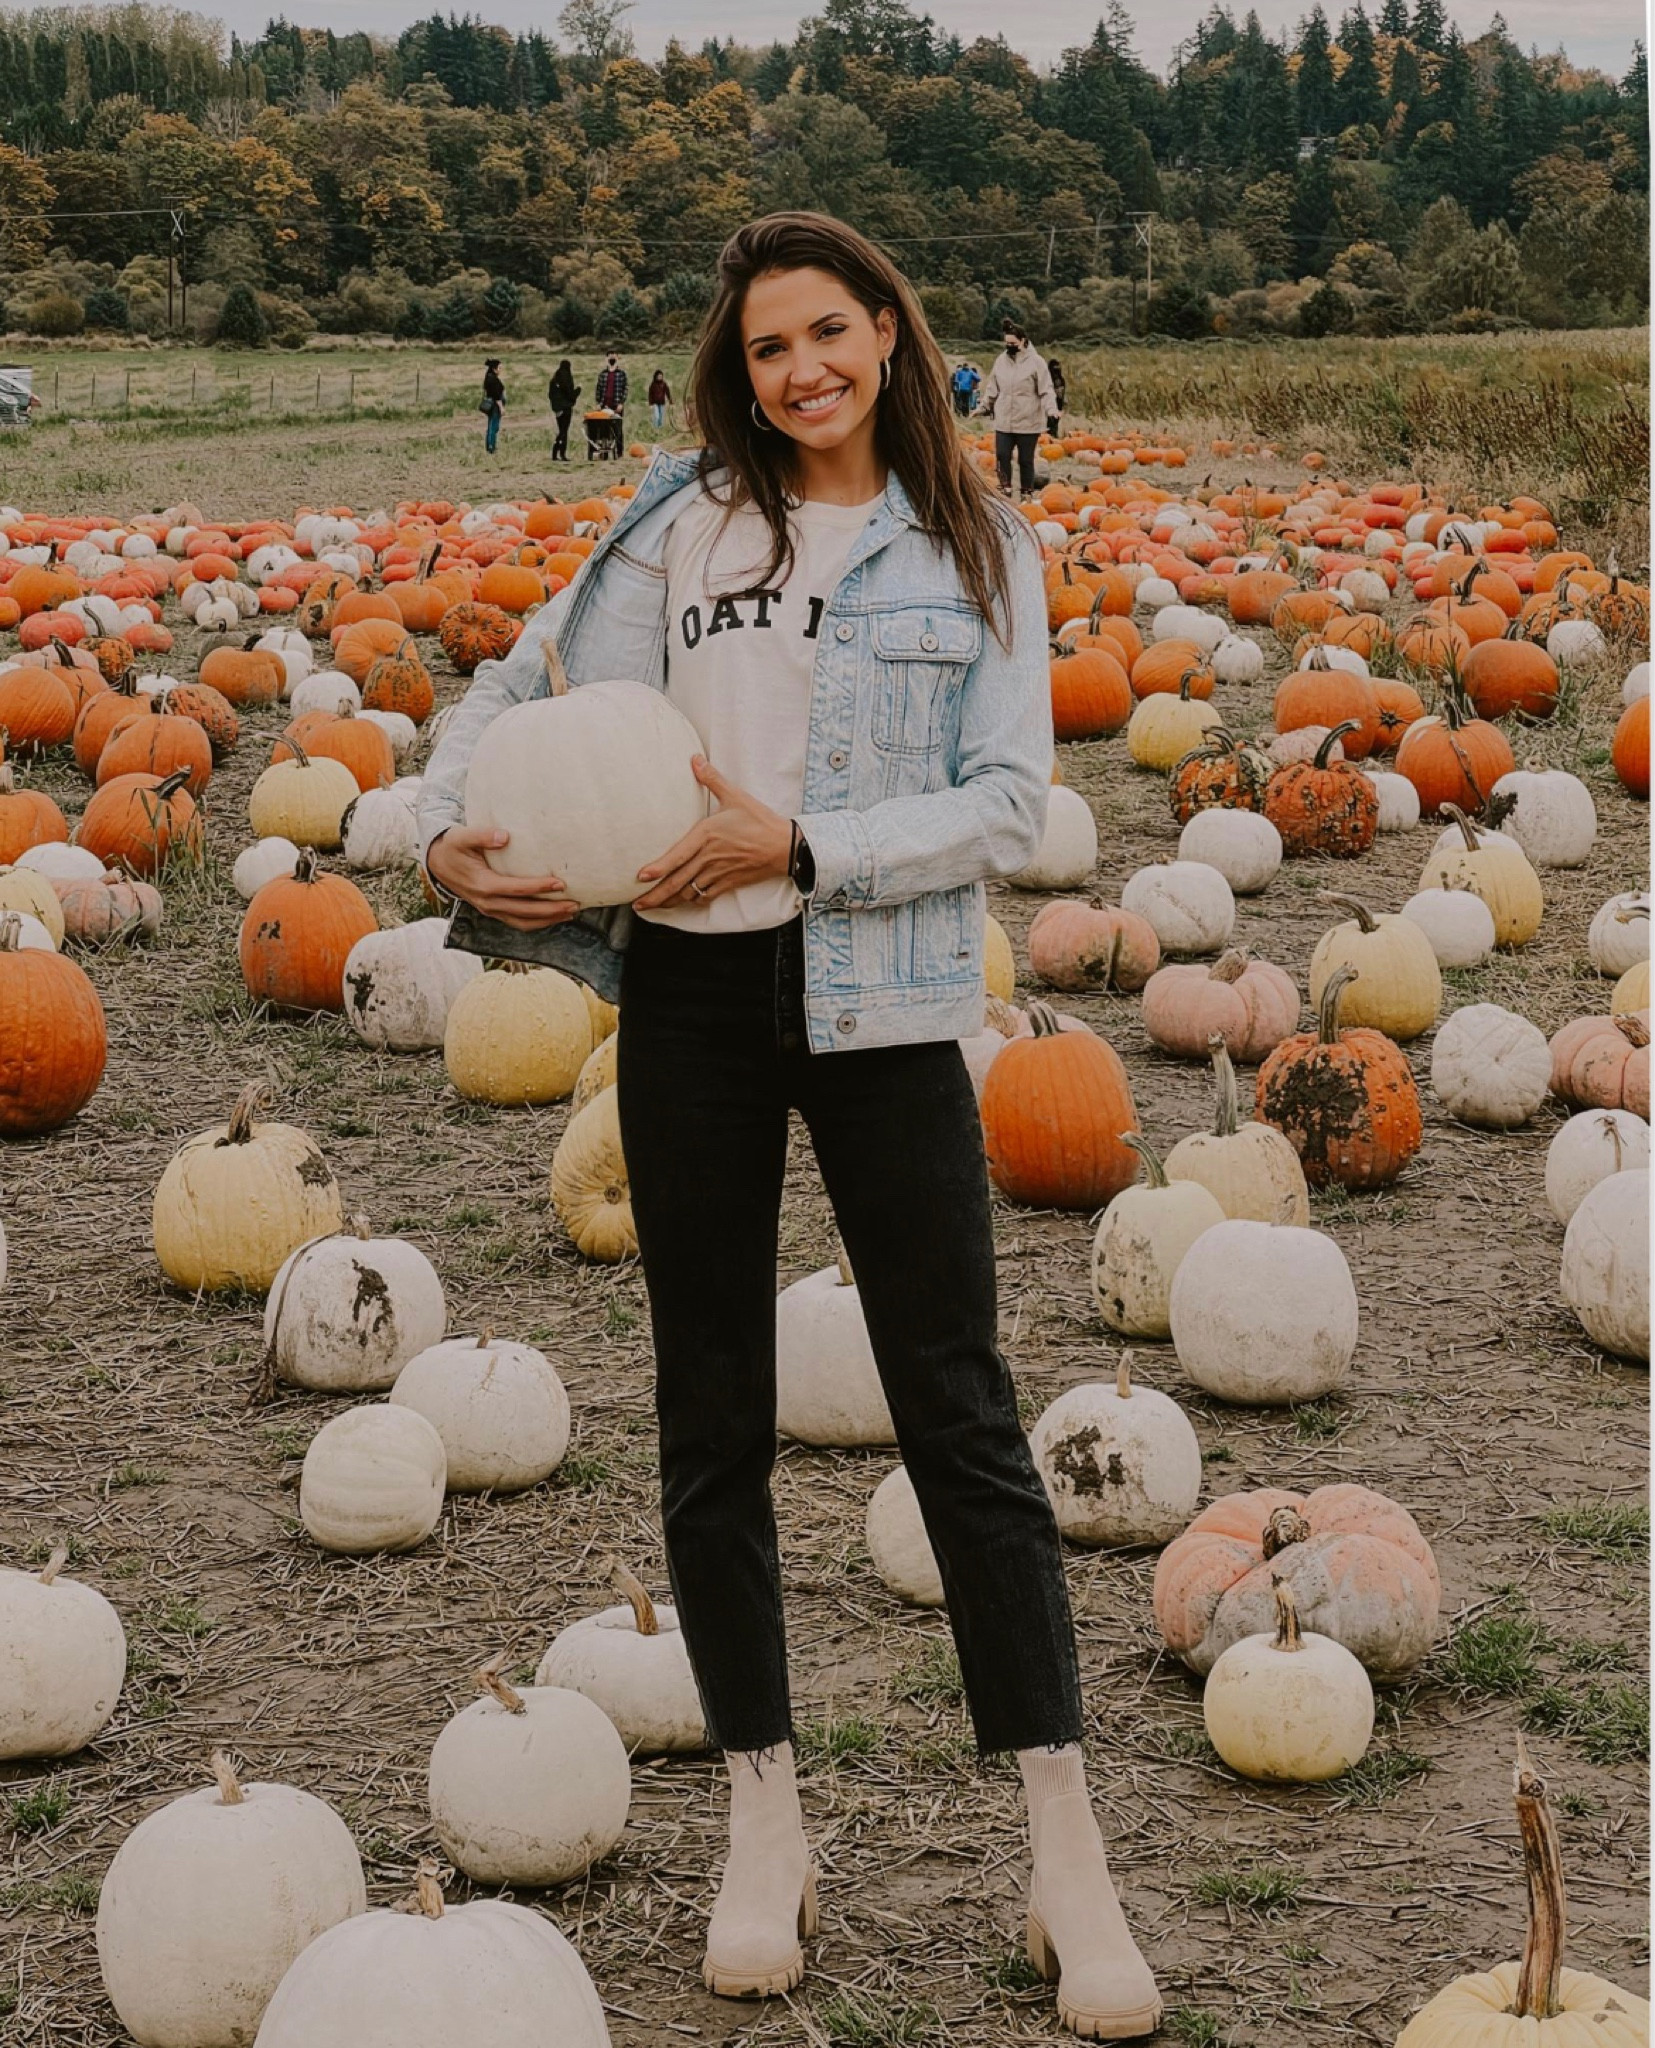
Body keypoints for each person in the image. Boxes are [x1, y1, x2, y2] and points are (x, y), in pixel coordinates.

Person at [417, 209, 1162, 2043]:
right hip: (688, 1002)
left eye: (829, 331)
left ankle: (1065, 1857)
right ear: (736, 372)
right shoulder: (677, 525)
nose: (802, 369)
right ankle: (765, 1823)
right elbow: (514, 692)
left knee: (959, 1411)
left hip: (883, 999)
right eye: (767, 347)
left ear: (889, 335)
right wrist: (441, 832)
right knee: (710, 1413)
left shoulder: (977, 543)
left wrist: (809, 844)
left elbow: (1008, 801)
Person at [973, 322, 1055, 499]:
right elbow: (992, 388)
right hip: (1004, 420)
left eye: (1013, 343)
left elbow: (1046, 389)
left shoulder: (1036, 362)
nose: (1009, 346)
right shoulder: (1001, 361)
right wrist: (983, 407)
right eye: (1007, 343)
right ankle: (1005, 489)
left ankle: (1026, 493)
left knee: (1025, 460)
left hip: (1028, 420)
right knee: (1002, 456)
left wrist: (1051, 409)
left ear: (1023, 341)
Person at [595, 348, 628, 458]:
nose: (612, 358)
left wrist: (621, 403)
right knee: (603, 429)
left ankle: (619, 452)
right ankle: (604, 452)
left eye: (614, 356)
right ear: (606, 358)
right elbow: (598, 389)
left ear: (617, 358)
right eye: (610, 356)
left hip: (616, 405)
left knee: (617, 429)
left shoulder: (621, 374)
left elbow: (625, 389)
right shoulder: (603, 374)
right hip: (604, 405)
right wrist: (598, 403)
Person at [548, 359, 579, 462]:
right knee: (564, 431)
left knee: (561, 431)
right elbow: (570, 394)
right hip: (566, 408)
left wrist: (556, 407)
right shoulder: (567, 378)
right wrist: (578, 390)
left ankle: (554, 453)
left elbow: (550, 395)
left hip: (558, 409)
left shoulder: (554, 380)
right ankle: (562, 454)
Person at [481, 357, 505, 454]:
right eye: (499, 368)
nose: (501, 370)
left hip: (493, 405)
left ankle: (490, 446)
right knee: (493, 426)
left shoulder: (489, 378)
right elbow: (496, 396)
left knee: (492, 426)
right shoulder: (493, 380)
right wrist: (501, 407)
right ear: (494, 369)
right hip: (495, 406)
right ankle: (491, 447)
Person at [1046, 356, 1067, 440]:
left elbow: (1061, 394)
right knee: (1051, 424)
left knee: (1053, 423)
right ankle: (1051, 437)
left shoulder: (1059, 380)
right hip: (1052, 404)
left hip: (1057, 404)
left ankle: (1052, 438)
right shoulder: (1050, 379)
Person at [648, 367, 672, 432]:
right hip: (655, 403)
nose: (660, 377)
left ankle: (660, 429)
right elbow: (650, 394)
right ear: (656, 377)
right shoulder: (653, 384)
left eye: (661, 376)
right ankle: (655, 428)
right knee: (657, 416)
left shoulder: (664, 384)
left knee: (661, 417)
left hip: (662, 403)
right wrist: (650, 404)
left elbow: (668, 392)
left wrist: (670, 401)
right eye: (659, 376)